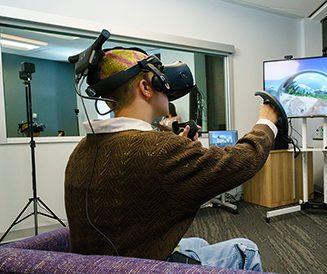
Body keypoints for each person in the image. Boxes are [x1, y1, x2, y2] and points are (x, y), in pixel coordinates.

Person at [64, 48, 279, 271]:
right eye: (158, 76)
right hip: (143, 267)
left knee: (198, 243)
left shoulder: (83, 148)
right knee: (246, 249)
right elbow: (244, 160)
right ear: (146, 87)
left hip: (106, 263)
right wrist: (267, 122)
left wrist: (182, 150)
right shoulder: (158, 148)